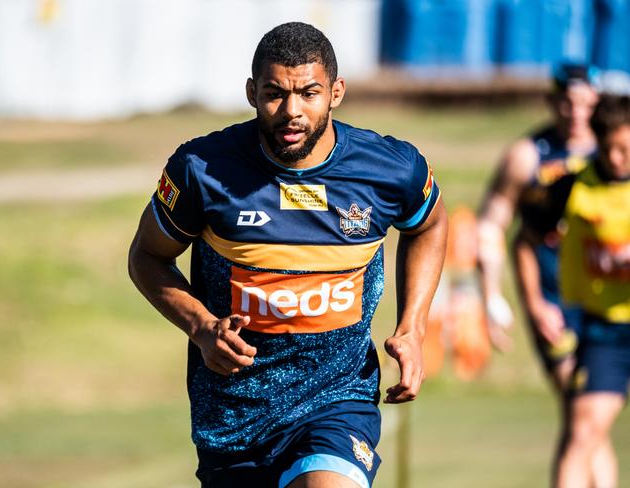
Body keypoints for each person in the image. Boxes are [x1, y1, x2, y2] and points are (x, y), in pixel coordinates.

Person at [128, 22, 447, 488]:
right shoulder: (201, 170)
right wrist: (200, 327)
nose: (291, 111)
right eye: (275, 94)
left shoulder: (389, 169)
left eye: (309, 93)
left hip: (338, 398)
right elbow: (147, 257)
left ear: (336, 92)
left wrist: (412, 327)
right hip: (233, 413)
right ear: (252, 92)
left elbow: (431, 223)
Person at [476, 63, 602, 481]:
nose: (576, 113)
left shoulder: (615, 151)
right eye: (567, 102)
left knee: (591, 419)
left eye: (585, 103)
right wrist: (493, 298)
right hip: (551, 301)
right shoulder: (528, 157)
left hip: (605, 301)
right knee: (583, 408)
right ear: (552, 102)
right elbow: (492, 227)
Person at [556, 94, 630, 488]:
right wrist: (536, 302)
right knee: (583, 434)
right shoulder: (572, 186)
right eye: (609, 148)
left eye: (626, 149)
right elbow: (525, 239)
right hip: (606, 332)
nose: (617, 158)